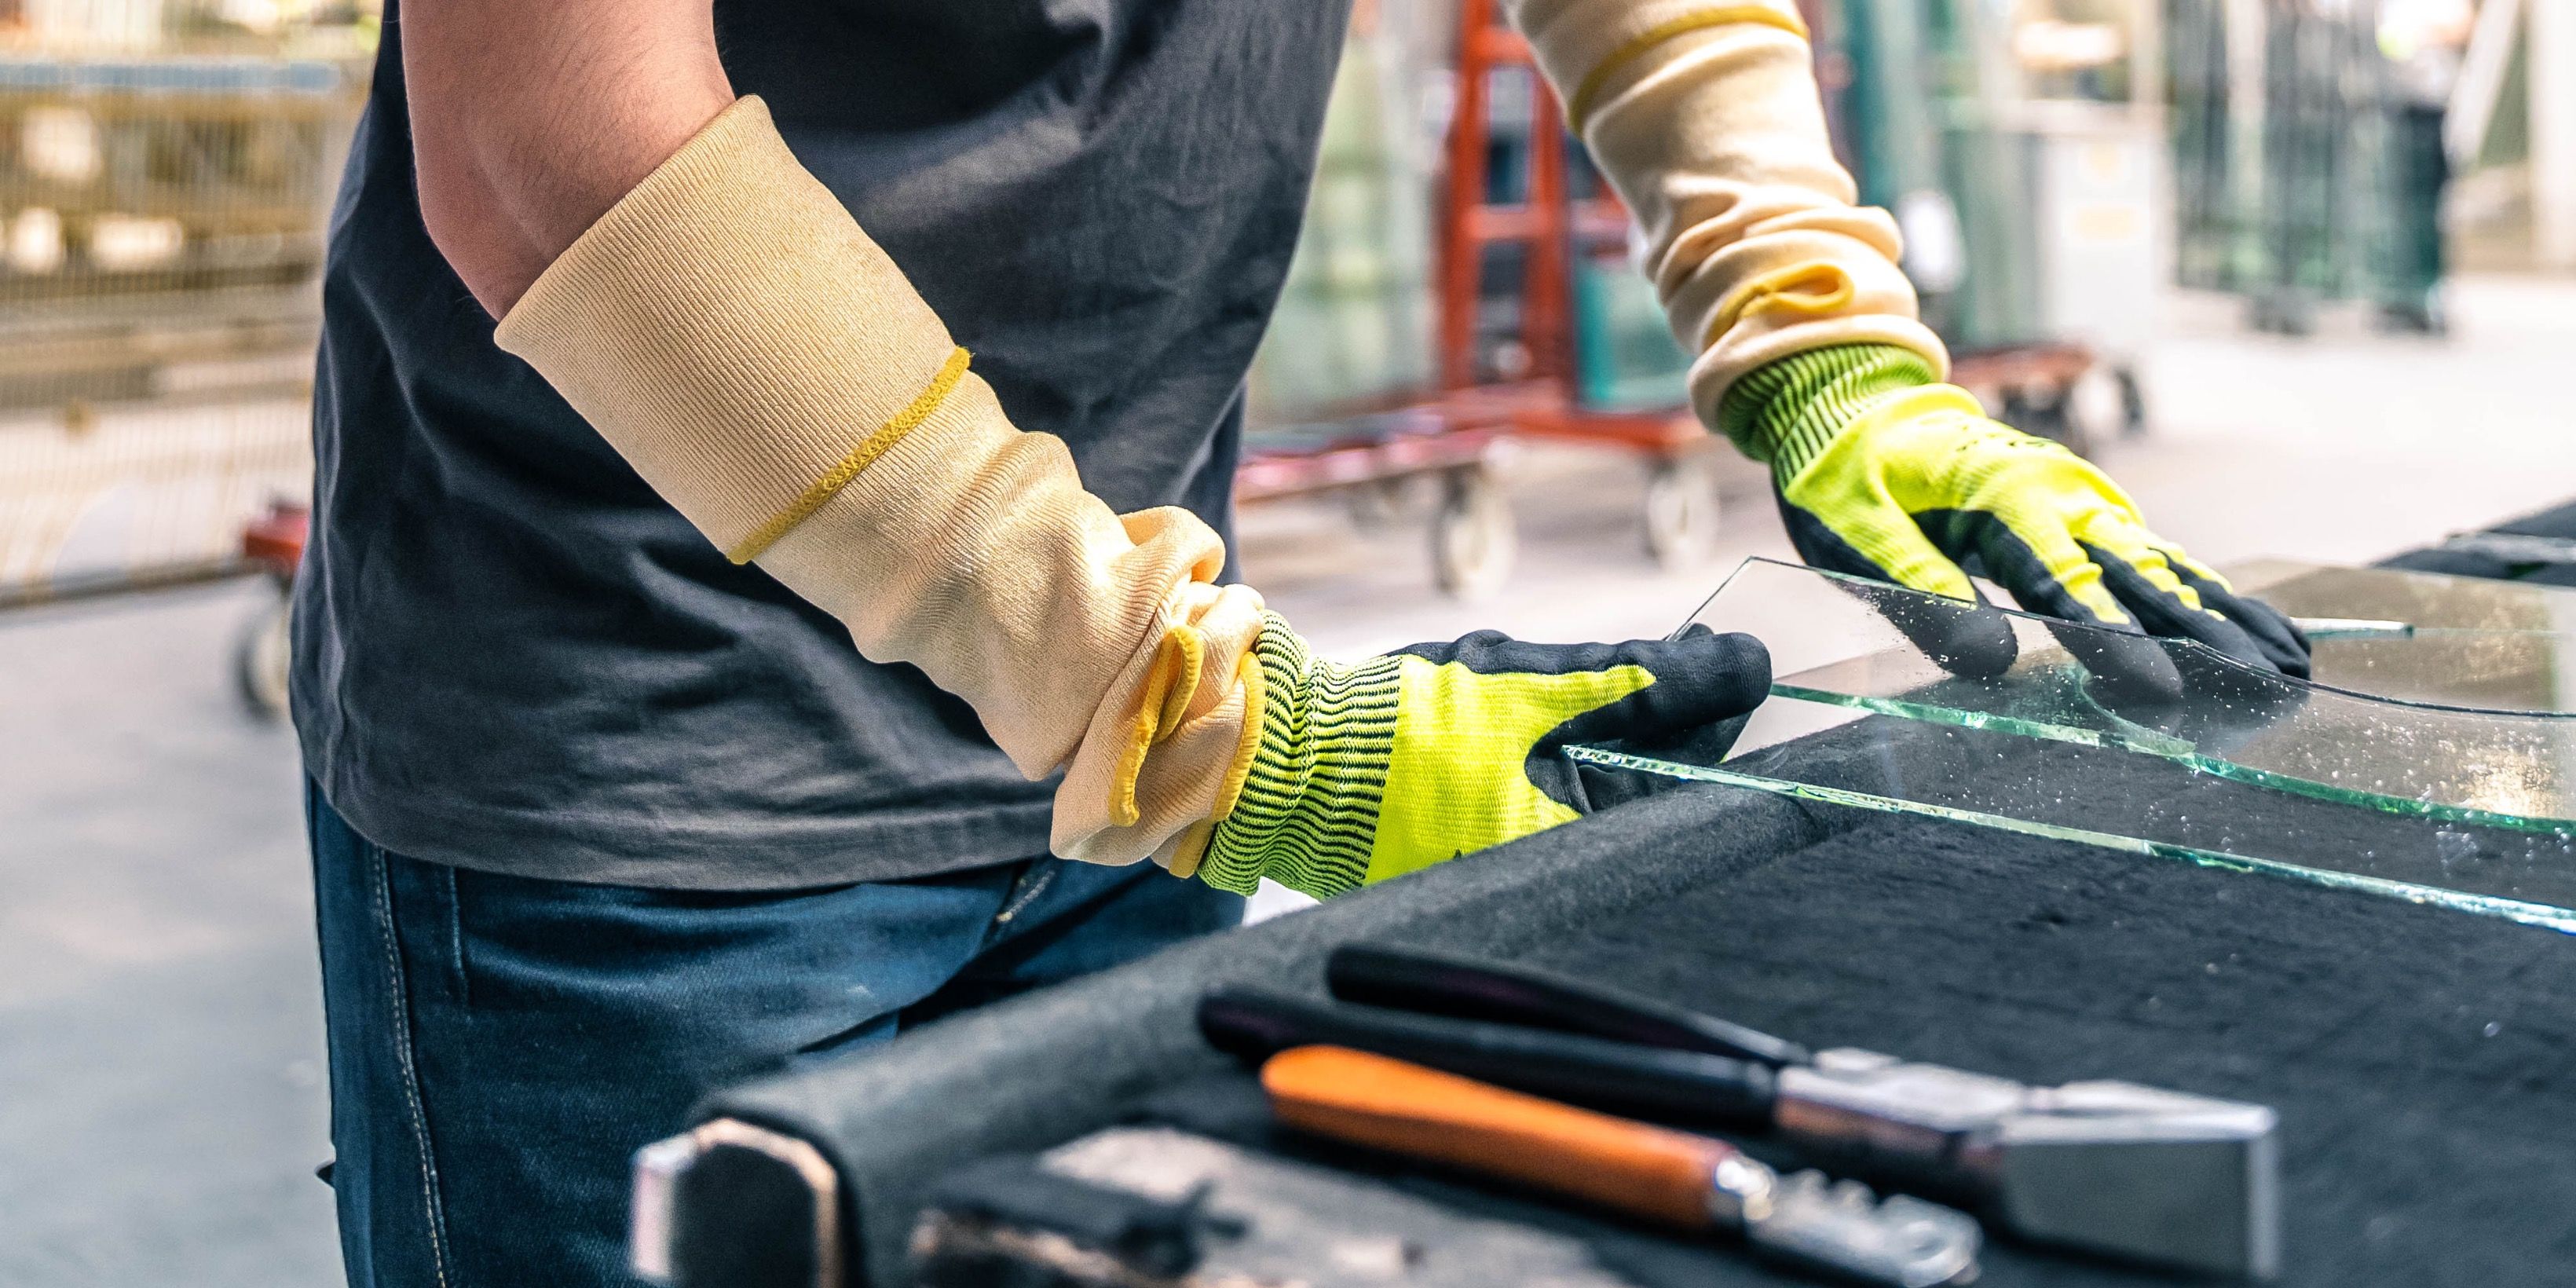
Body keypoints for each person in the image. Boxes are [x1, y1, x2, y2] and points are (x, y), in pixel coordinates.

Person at [293, 2, 2310, 1283]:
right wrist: (1179, 715)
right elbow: (544, 131)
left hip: (1110, 729)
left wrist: (1822, 343)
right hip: (644, 763)